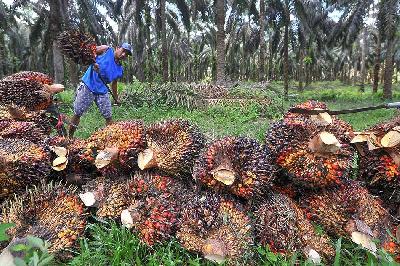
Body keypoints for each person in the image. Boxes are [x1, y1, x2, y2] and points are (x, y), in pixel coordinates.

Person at [68, 43, 132, 138]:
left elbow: (114, 83)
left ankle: (111, 139)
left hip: (102, 90)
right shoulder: (106, 50)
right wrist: (93, 63)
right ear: (117, 48)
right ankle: (69, 137)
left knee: (108, 116)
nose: (124, 55)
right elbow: (88, 52)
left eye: (126, 54)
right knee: (78, 113)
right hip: (88, 86)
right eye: (123, 51)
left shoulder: (119, 69)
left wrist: (116, 98)